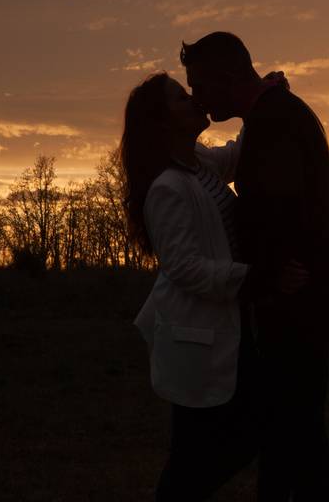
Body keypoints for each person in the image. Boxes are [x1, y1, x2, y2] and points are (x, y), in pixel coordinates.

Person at [181, 31, 329, 502]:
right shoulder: (272, 114)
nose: (196, 96)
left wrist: (272, 275)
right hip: (300, 292)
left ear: (228, 75)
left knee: (293, 428)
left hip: (297, 296)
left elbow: (276, 209)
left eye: (199, 85)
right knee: (292, 427)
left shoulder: (275, 119)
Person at [120, 71, 301, 501]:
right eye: (181, 100)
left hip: (220, 329)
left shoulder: (197, 165)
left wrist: (262, 104)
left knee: (198, 452)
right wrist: (257, 279)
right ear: (163, 122)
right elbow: (184, 267)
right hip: (195, 336)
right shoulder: (169, 187)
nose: (194, 101)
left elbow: (241, 157)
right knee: (209, 449)